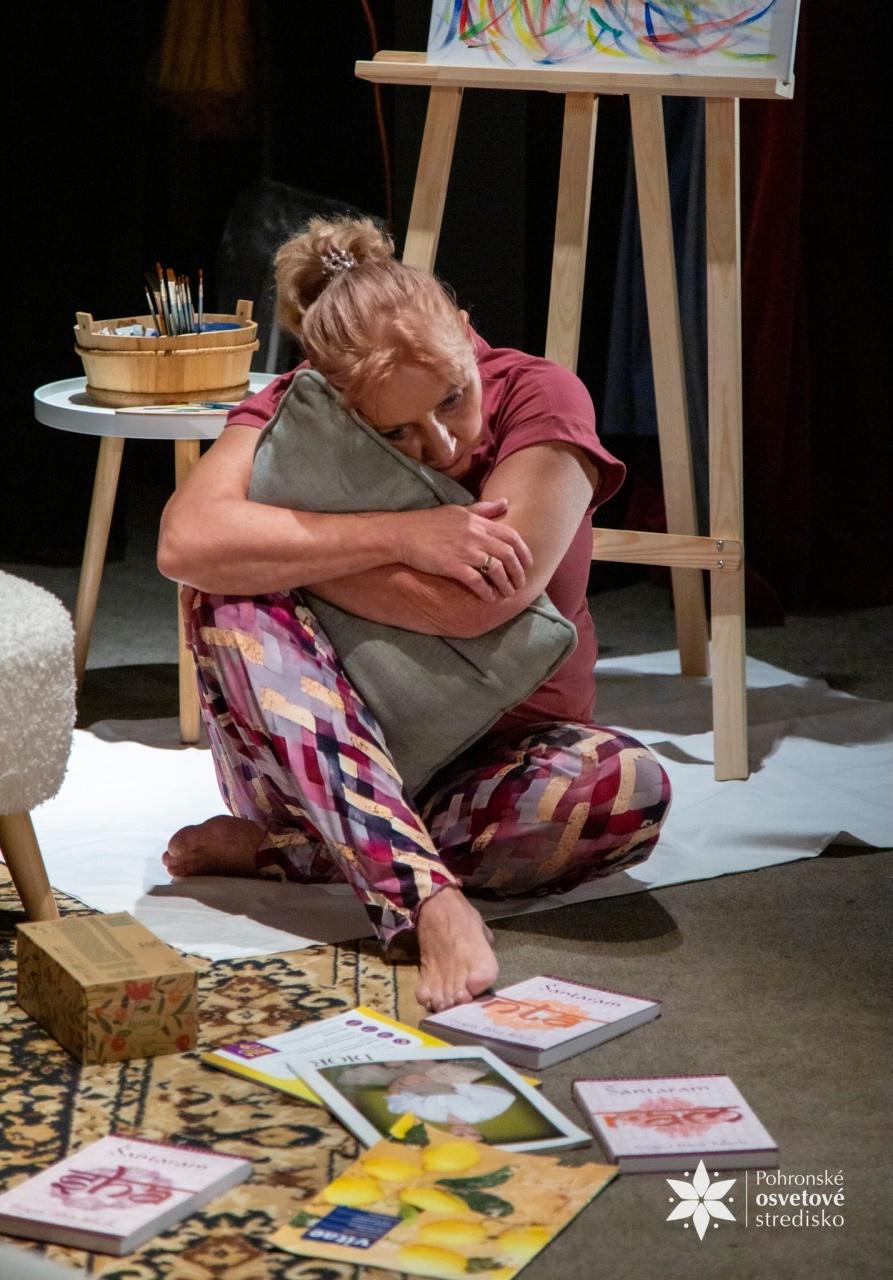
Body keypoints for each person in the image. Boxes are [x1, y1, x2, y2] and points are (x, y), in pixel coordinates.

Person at [157, 216, 671, 1013]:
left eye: (452, 399)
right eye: (393, 431)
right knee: (231, 597)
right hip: (311, 760)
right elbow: (185, 543)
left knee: (623, 785)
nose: (441, 443)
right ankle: (425, 898)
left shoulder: (539, 393)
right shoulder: (295, 406)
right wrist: (400, 534)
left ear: (464, 331)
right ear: (336, 398)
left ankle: (303, 855)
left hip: (494, 770)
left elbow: (476, 606)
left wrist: (295, 563)